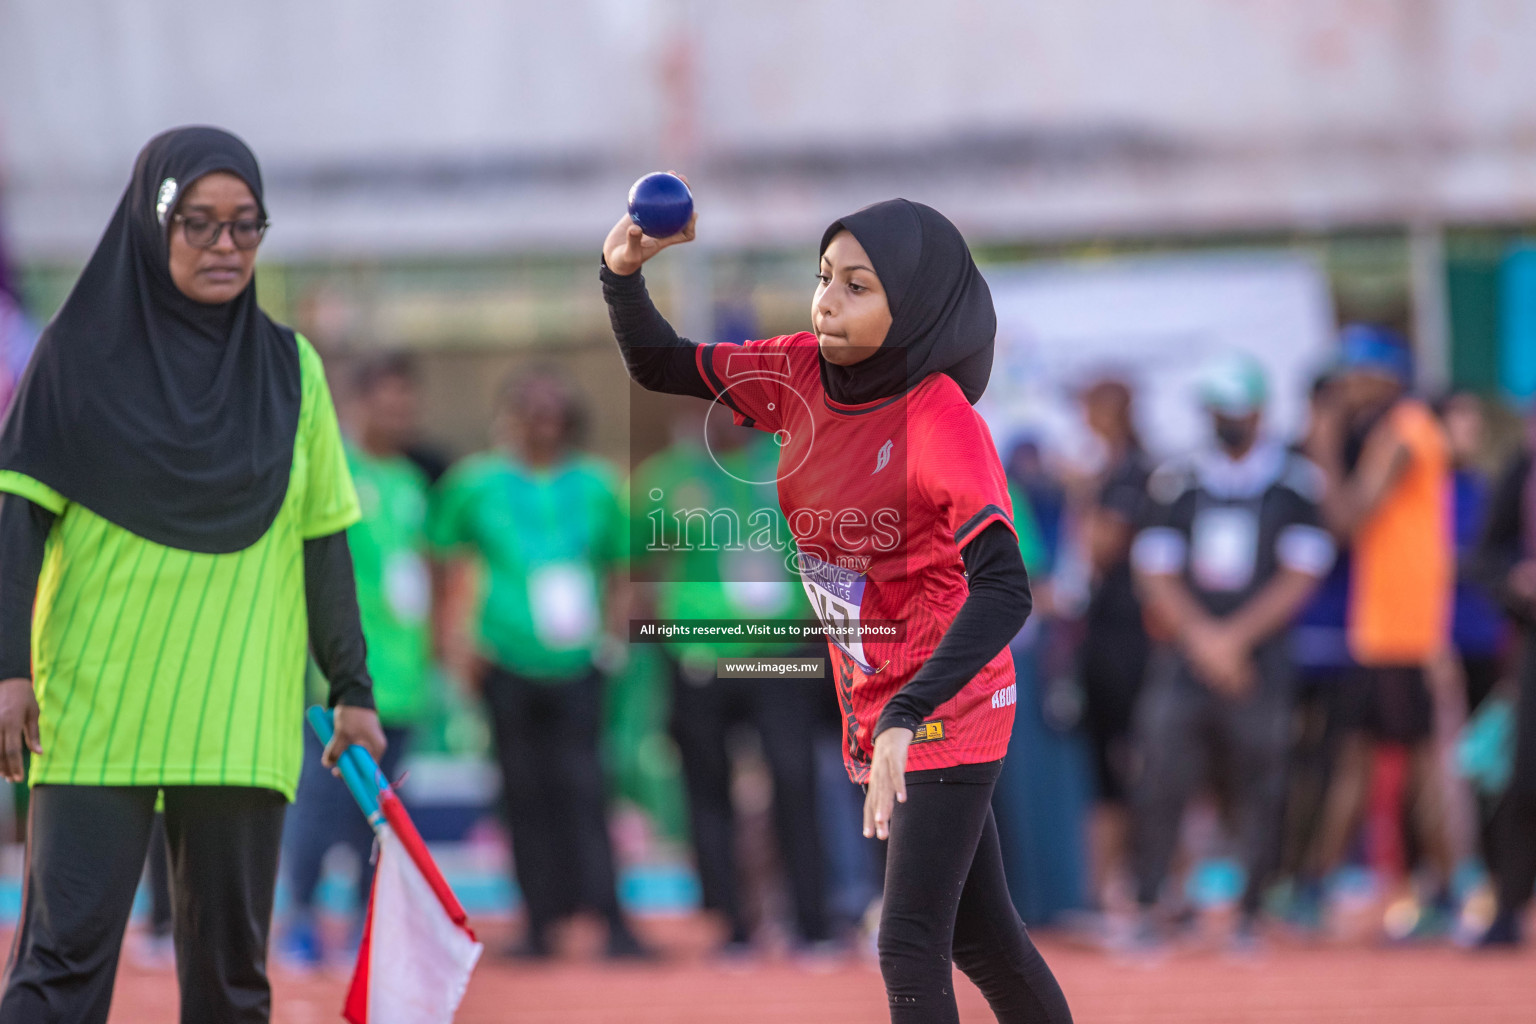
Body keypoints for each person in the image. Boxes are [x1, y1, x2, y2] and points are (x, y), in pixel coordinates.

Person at [602, 196, 1072, 1023]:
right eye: (824, 278)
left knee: (907, 943)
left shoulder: (939, 420)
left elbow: (1006, 589)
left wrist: (912, 708)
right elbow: (660, 364)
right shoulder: (797, 375)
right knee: (982, 939)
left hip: (943, 702)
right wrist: (623, 274)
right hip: (879, 693)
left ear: (916, 303)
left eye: (858, 286)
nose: (826, 301)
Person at [0, 127, 384, 1024]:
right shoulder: (74, 359)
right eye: (200, 224)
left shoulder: (293, 373)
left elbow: (321, 542)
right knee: (58, 970)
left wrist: (352, 688)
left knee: (230, 984)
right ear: (150, 221)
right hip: (93, 709)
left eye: (246, 226)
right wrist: (10, 671)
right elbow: (15, 523)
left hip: (239, 708)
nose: (225, 246)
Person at [427, 369, 651, 961]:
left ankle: (609, 917)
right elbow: (443, 560)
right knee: (522, 792)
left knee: (587, 787)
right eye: (531, 410)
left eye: (555, 410)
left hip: (580, 663)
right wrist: (455, 642)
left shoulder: (600, 486)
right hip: (504, 660)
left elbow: (623, 569)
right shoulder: (474, 485)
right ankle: (540, 921)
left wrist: (613, 638)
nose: (543, 421)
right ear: (511, 416)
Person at [1128, 353, 1334, 950]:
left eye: (1235, 410)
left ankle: (1249, 913)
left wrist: (1234, 641)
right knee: (1162, 774)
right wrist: (1206, 642)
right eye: (1216, 409)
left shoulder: (1295, 484)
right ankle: (1148, 905)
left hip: (1260, 662)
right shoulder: (1178, 481)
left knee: (1261, 781)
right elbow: (1156, 571)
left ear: (1260, 412)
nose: (1225, 420)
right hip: (1185, 658)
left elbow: (1301, 573)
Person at [631, 410, 830, 954]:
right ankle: (730, 924)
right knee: (708, 786)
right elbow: (639, 566)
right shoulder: (663, 478)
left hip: (780, 648)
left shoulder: (793, 466)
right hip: (701, 650)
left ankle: (813, 921)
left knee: (795, 777)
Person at [280, 354, 434, 967]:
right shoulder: (328, 469)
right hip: (341, 678)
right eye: (387, 402)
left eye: (407, 404)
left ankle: (372, 933)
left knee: (386, 817)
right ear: (358, 403)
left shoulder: (411, 484)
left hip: (405, 677)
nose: (399, 415)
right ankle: (299, 922)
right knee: (320, 808)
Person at [1304, 325, 1456, 935]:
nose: (1348, 387)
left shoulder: (1403, 432)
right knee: (1361, 758)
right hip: (1383, 625)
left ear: (1386, 376)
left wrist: (1324, 440)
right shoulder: (1401, 429)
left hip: (1405, 627)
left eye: (1356, 374)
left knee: (1416, 762)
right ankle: (1317, 886)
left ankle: (1444, 891)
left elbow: (1347, 518)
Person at [1075, 378, 1154, 918]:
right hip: (1106, 632)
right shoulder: (1117, 468)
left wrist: (1083, 494)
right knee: (1107, 764)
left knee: (1136, 761)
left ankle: (1139, 886)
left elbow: (1101, 547)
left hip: (1130, 635)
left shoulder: (1130, 471)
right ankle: (1107, 893)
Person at [1470, 413, 1536, 947]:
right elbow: (1484, 556)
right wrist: (1514, 582)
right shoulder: (1522, 470)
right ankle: (1509, 907)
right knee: (1526, 779)